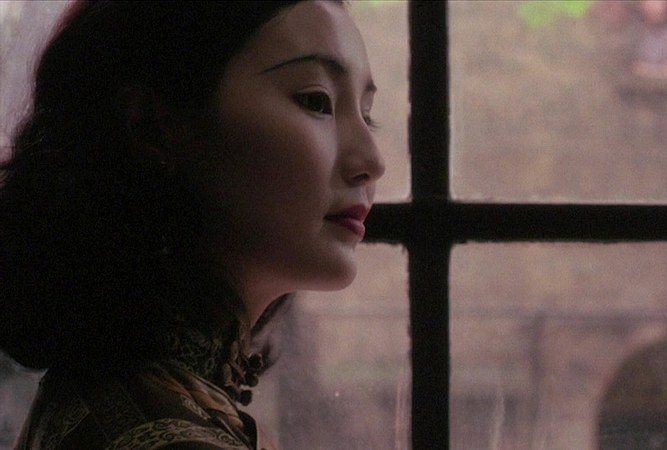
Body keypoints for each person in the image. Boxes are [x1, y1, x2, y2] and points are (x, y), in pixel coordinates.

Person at [0, 0, 384, 448]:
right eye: (316, 101)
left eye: (367, 114)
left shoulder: (109, 389)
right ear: (151, 126)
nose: (372, 161)